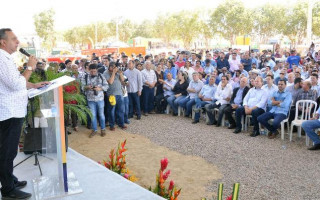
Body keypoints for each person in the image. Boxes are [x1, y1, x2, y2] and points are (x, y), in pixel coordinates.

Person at [0, 28, 49, 199]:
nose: (18, 42)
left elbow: (19, 81)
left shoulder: (6, 58)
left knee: (10, 150)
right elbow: (15, 84)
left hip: (14, 111)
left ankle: (10, 179)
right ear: (3, 42)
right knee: (7, 152)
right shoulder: (1, 58)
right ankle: (7, 189)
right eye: (14, 39)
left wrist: (34, 86)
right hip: (8, 113)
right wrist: (30, 66)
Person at [82, 64, 109, 137]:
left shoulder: (101, 76)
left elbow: (106, 86)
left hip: (100, 99)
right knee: (93, 116)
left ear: (97, 70)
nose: (93, 73)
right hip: (90, 99)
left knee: (101, 115)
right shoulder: (85, 76)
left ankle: (103, 129)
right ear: (89, 70)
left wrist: (99, 89)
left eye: (94, 71)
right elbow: (82, 87)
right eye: (91, 71)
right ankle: (94, 130)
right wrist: (87, 87)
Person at [103, 62, 126, 131]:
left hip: (119, 93)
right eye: (112, 67)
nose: (113, 68)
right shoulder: (105, 73)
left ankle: (121, 123)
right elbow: (110, 82)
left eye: (114, 67)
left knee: (121, 110)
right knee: (111, 111)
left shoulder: (118, 72)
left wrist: (120, 73)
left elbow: (123, 80)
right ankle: (111, 125)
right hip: (111, 95)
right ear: (109, 67)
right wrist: (113, 73)